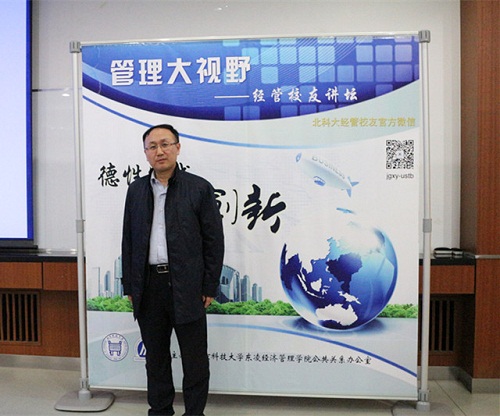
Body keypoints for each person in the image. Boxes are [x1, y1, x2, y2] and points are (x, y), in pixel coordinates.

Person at [121, 124, 224, 416]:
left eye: (165, 144)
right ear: (145, 153)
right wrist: (130, 285)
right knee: (155, 358)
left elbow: (214, 240)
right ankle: (160, 411)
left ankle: (194, 413)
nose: (159, 151)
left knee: (195, 359)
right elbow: (128, 240)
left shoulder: (198, 188)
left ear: (178, 147)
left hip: (188, 285)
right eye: (152, 146)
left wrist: (209, 285)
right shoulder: (136, 190)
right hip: (149, 286)